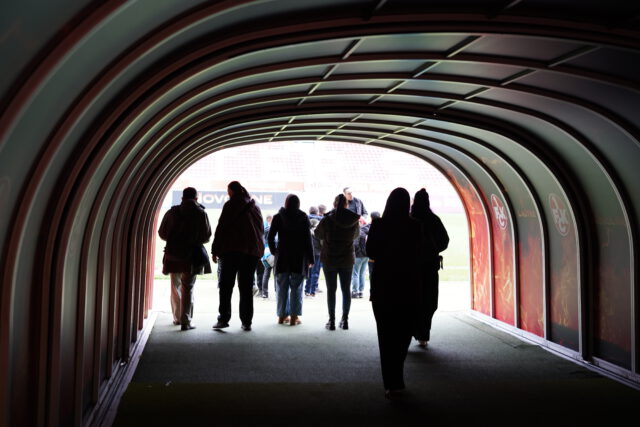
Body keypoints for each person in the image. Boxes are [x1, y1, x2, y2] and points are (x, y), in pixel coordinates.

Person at [366, 188, 422, 399]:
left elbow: (371, 251)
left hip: (383, 286)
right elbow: (420, 253)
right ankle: (396, 376)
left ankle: (391, 383)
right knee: (403, 334)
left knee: (386, 336)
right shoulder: (415, 226)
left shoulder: (378, 224)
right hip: (408, 286)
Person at [211, 181, 264, 331]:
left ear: (231, 191)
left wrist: (215, 250)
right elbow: (260, 230)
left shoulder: (230, 205)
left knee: (226, 287)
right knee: (246, 288)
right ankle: (247, 321)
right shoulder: (254, 207)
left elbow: (221, 228)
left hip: (231, 252)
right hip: (250, 253)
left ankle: (223, 319)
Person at [158, 187, 212, 331]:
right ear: (196, 198)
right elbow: (206, 236)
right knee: (188, 287)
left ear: (182, 198)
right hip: (191, 256)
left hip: (172, 254)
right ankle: (185, 321)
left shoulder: (171, 212)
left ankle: (176, 318)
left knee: (175, 286)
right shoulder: (201, 213)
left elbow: (162, 233)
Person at [314, 193, 360, 330]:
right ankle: (345, 320)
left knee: (331, 290)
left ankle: (332, 321)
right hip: (347, 258)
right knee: (346, 290)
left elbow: (317, 234)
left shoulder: (328, 219)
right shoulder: (353, 219)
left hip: (330, 257)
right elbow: (356, 235)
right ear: (346, 204)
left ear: (334, 204)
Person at [411, 188, 449, 347]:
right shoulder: (434, 219)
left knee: (411, 301)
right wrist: (432, 250)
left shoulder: (409, 219)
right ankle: (423, 335)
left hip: (411, 268)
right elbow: (445, 241)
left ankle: (410, 331)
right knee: (429, 301)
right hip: (429, 267)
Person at [268, 194, 314, 325]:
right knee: (297, 287)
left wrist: (275, 251)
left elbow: (270, 237)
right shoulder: (303, 217)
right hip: (299, 257)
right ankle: (294, 317)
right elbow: (308, 239)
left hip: (282, 256)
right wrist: (311, 258)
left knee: (281, 287)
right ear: (298, 204)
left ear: (286, 203)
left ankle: (282, 316)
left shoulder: (278, 217)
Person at [351, 217, 369, 299]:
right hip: (366, 255)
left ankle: (355, 291)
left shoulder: (357, 232)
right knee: (362, 273)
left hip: (358, 255)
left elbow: (355, 244)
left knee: (355, 273)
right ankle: (361, 291)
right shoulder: (366, 231)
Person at [305, 218, 322, 296]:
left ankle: (307, 290)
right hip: (317, 254)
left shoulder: (307, 231)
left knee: (309, 272)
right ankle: (313, 291)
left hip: (308, 254)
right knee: (315, 272)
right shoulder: (317, 232)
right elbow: (322, 243)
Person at [260, 215, 273, 298]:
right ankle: (277, 290)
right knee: (276, 273)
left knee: (266, 273)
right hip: (272, 253)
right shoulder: (272, 229)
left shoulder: (263, 229)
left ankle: (264, 292)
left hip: (265, 253)